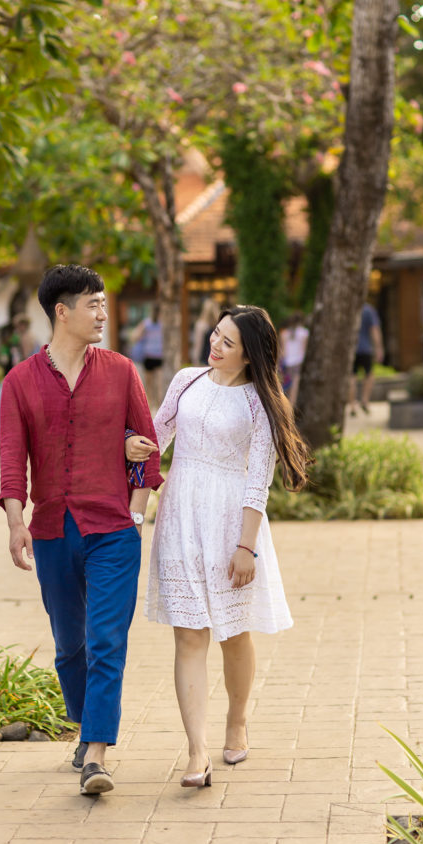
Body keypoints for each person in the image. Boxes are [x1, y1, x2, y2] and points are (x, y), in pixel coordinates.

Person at [125, 305, 309, 788]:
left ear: (250, 354)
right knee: (188, 634)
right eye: (215, 334)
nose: (215, 345)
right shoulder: (186, 380)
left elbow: (257, 482)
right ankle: (197, 752)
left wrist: (246, 548)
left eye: (228, 342)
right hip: (180, 514)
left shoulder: (260, 404)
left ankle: (237, 720)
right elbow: (157, 437)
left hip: (231, 524)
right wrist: (135, 479)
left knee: (232, 634)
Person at [0, 264, 163, 796]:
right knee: (71, 647)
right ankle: (85, 724)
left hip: (114, 529)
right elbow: (10, 458)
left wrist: (136, 515)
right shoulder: (19, 381)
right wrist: (15, 521)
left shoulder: (121, 371)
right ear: (61, 312)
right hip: (51, 530)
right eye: (93, 304)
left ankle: (96, 754)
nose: (103, 314)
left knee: (107, 641)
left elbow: (148, 451)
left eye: (104, 304)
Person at [348, 302, 384, 415]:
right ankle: (364, 401)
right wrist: (379, 347)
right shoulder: (368, 310)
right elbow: (374, 330)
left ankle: (352, 405)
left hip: (350, 349)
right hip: (365, 349)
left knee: (351, 377)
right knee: (369, 375)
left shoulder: (349, 308)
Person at [132, 304, 163, 408]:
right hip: (159, 356)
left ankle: (150, 405)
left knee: (149, 384)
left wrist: (142, 337)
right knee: (158, 384)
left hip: (148, 356)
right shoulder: (163, 324)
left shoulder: (147, 323)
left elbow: (134, 336)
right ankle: (158, 405)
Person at [278, 312, 309, 407]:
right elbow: (304, 349)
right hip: (298, 362)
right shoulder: (304, 333)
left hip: (287, 362)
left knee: (286, 385)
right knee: (295, 386)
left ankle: (283, 406)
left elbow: (282, 351)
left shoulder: (284, 333)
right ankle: (291, 408)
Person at [190, 297, 220, 366]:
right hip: (216, 359)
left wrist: (195, 362)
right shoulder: (219, 325)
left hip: (204, 360)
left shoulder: (201, 325)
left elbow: (197, 345)